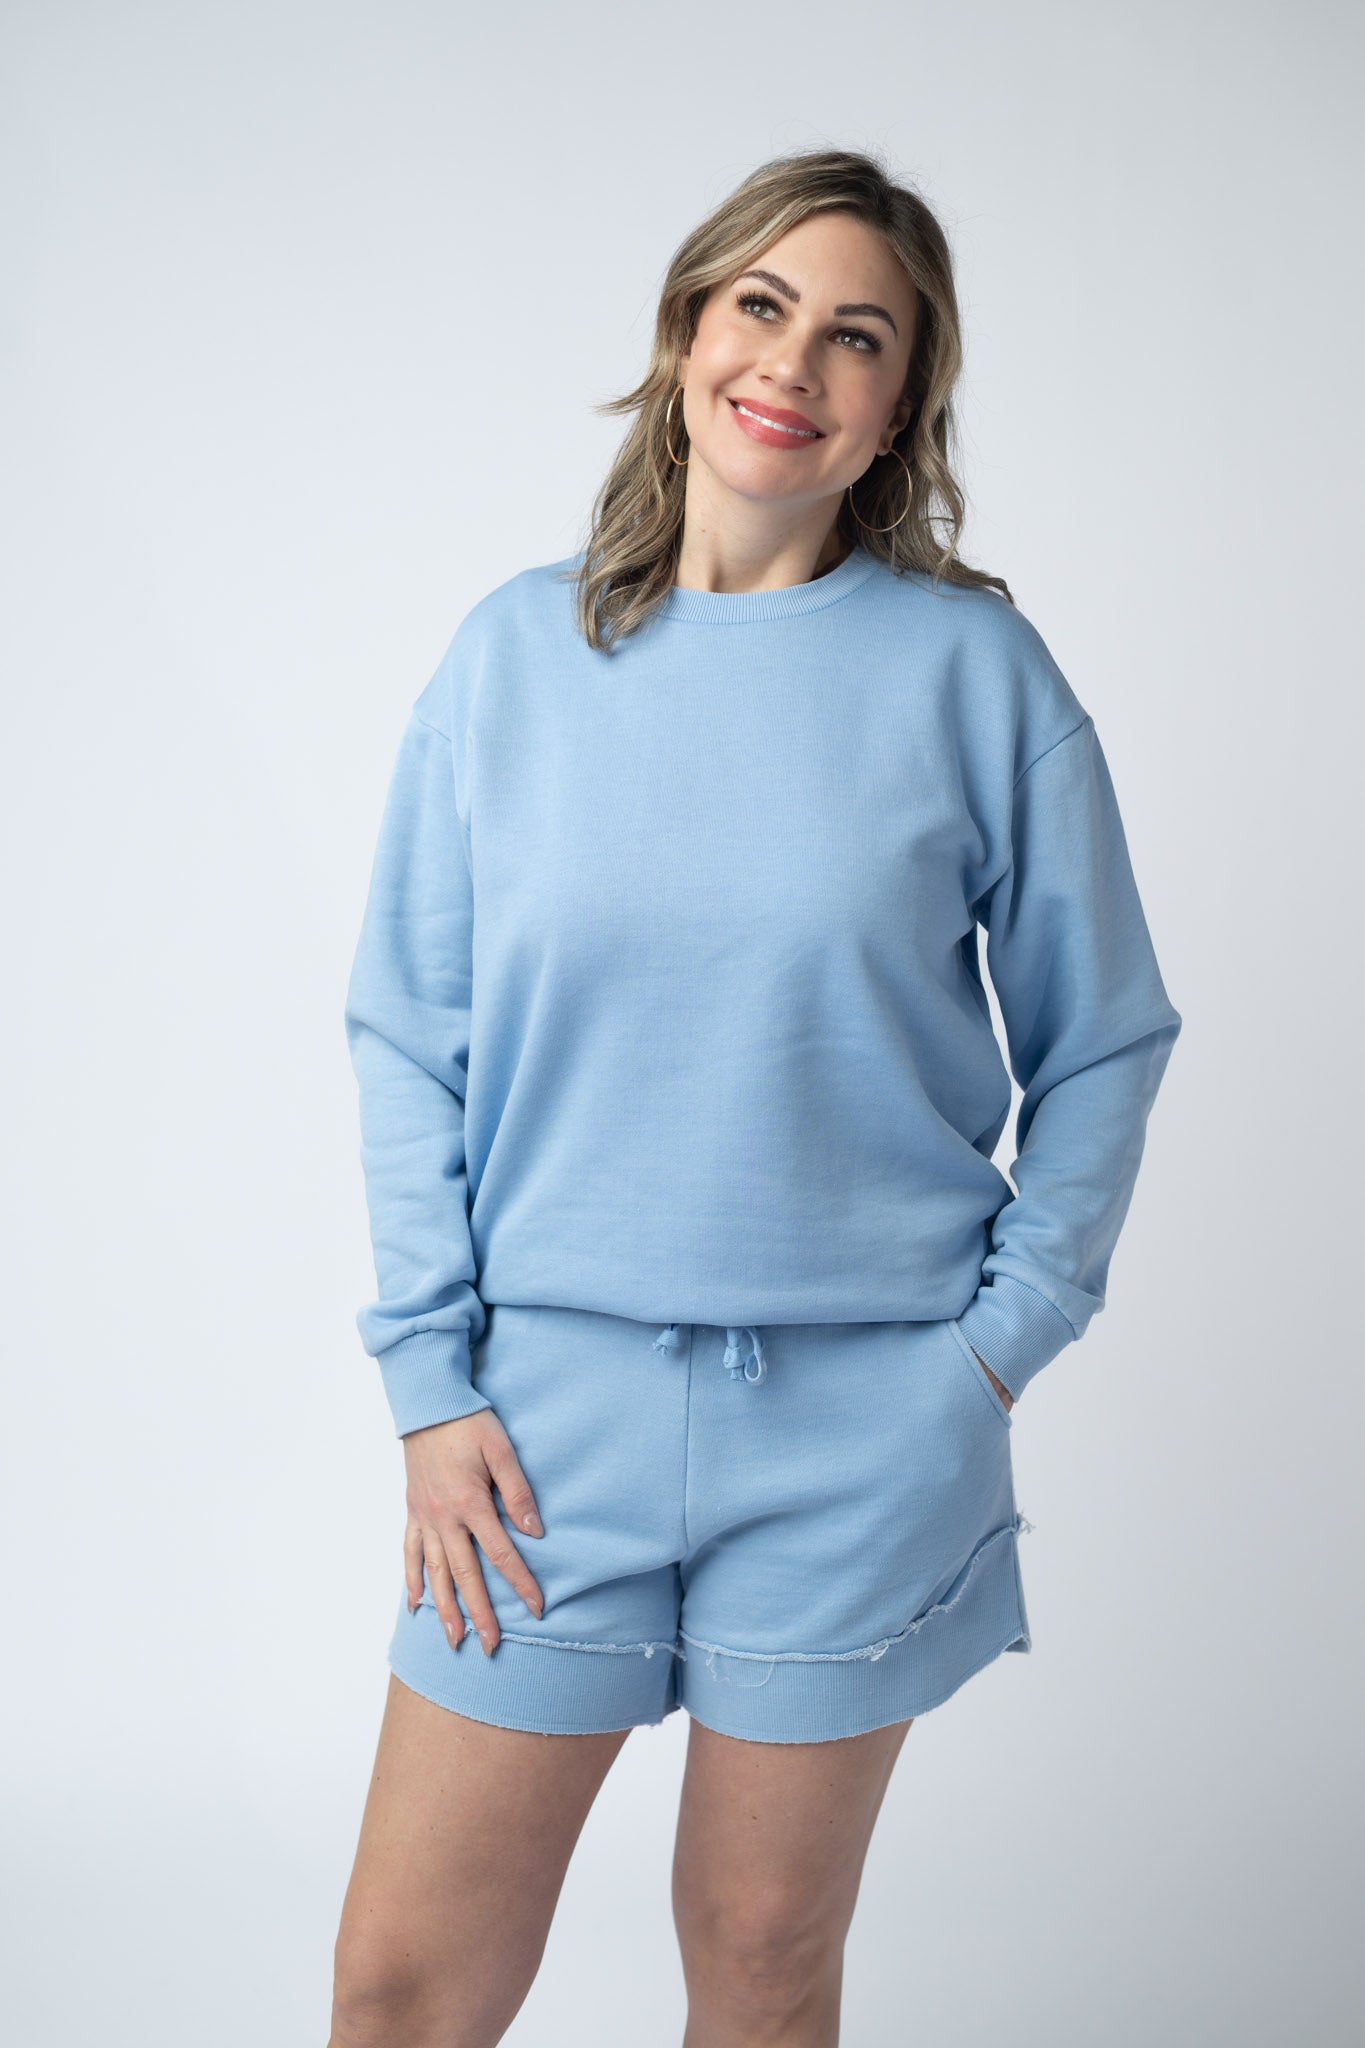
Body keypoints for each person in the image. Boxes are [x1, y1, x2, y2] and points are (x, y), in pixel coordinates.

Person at [328, 146, 1182, 2048]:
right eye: (762, 305)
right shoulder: (513, 656)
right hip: (533, 1439)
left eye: (856, 335)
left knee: (766, 1969)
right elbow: (408, 1034)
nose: (794, 360)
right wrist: (430, 1384)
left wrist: (990, 1354)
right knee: (400, 1988)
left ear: (898, 408)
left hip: (864, 1433)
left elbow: (1105, 1036)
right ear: (687, 335)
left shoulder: (974, 674)